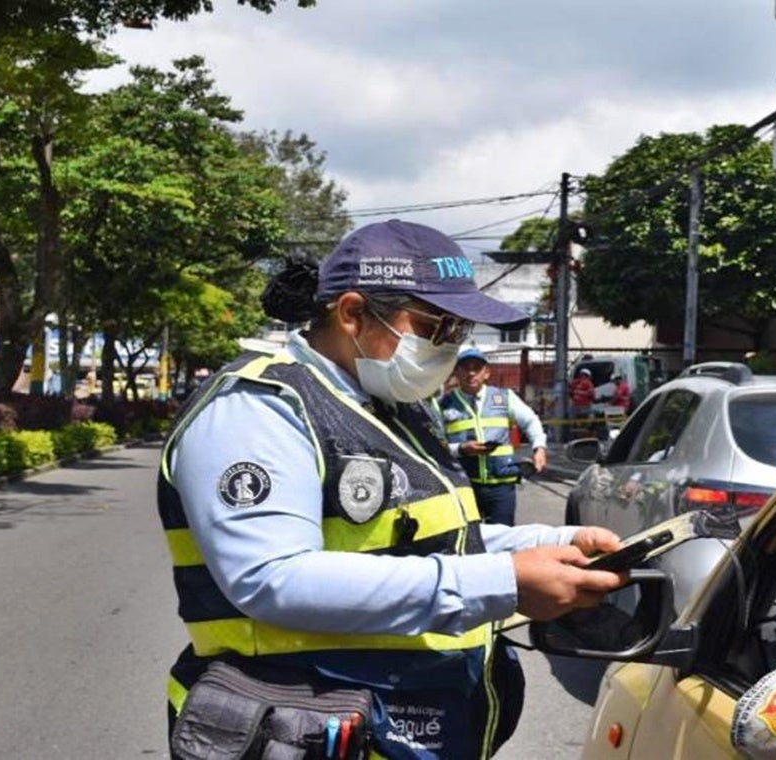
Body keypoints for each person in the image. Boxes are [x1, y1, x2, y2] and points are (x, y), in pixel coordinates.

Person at [156, 220, 625, 759]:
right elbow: (271, 576)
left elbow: (426, 540)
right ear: (352, 313)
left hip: (400, 723)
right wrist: (501, 582)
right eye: (435, 327)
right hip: (299, 728)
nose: (451, 346)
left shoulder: (390, 406)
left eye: (458, 331)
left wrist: (549, 544)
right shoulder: (258, 408)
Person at [439, 347, 547, 526]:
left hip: (501, 486)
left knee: (503, 540)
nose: (471, 373)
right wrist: (461, 449)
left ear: (486, 373)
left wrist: (539, 448)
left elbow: (530, 421)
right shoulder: (444, 404)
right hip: (464, 485)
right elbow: (435, 445)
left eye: (477, 368)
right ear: (456, 372)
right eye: (465, 367)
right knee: (468, 541)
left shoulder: (504, 397)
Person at [569, 368, 596, 435]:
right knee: (591, 415)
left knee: (573, 418)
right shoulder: (588, 383)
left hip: (577, 405)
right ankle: (586, 428)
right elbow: (591, 394)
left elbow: (570, 390)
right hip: (584, 405)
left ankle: (575, 428)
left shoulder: (575, 382)